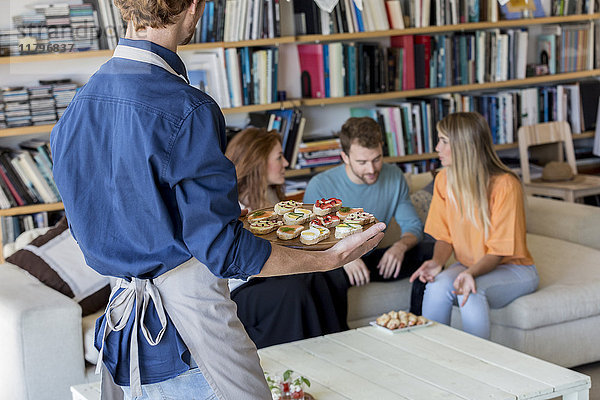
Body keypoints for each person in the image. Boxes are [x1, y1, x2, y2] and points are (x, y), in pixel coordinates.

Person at [49, 1, 386, 399]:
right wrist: (328, 258)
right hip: (191, 324)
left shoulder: (77, 107)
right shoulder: (187, 108)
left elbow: (100, 224)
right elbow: (223, 251)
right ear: (194, 8)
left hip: (123, 329)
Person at [410, 112, 539, 339]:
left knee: (470, 290)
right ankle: (431, 357)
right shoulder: (443, 180)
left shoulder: (506, 185)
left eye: (444, 141)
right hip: (469, 265)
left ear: (463, 146)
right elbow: (444, 236)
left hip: (515, 269)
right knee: (437, 285)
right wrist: (436, 263)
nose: (437, 147)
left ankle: (479, 367)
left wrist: (470, 273)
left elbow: (499, 251)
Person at [225, 127, 350, 348]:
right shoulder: (234, 207)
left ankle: (336, 344)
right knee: (293, 290)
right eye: (279, 157)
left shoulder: (277, 200)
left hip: (274, 273)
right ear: (258, 161)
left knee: (325, 276)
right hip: (241, 288)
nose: (286, 164)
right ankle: (305, 353)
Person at [304, 117, 432, 315]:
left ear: (382, 148)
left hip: (373, 260)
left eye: (377, 159)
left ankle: (417, 321)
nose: (371, 169)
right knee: (323, 276)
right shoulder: (320, 185)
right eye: (362, 162)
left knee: (429, 252)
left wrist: (400, 246)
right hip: (338, 262)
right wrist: (343, 257)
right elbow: (310, 241)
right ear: (345, 157)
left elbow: (413, 226)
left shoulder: (394, 176)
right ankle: (340, 339)